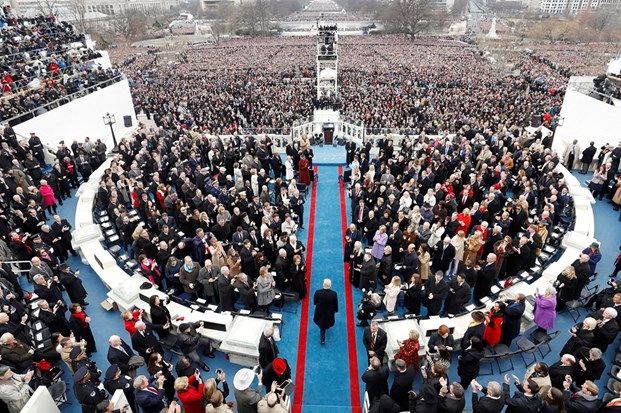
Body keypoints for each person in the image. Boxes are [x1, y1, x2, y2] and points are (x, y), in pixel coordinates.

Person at [313, 278, 338, 345]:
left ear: (323, 284)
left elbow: (315, 302)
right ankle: (324, 329)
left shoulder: (318, 292)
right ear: (330, 285)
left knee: (322, 325)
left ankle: (322, 337)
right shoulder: (334, 294)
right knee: (326, 323)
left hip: (320, 311)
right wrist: (335, 310)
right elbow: (335, 303)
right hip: (329, 312)